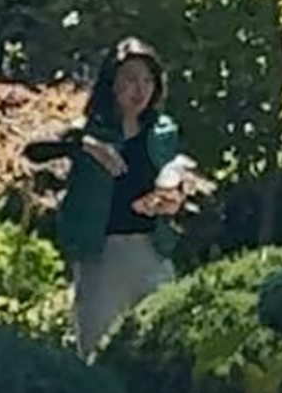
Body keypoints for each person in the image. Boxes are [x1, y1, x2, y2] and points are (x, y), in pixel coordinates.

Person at [47, 40, 197, 353]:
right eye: (129, 79)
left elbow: (185, 176)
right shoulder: (89, 130)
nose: (138, 90)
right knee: (97, 350)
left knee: (162, 348)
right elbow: (38, 148)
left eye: (147, 81)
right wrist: (89, 145)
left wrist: (175, 190)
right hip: (102, 256)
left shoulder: (163, 131)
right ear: (112, 83)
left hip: (152, 254)